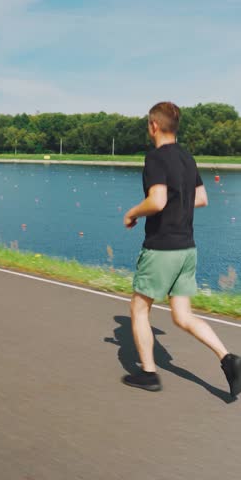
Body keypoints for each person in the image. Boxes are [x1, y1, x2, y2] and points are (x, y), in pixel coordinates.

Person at [123, 101, 241, 397]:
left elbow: (158, 200)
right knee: (182, 316)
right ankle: (229, 360)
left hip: (162, 247)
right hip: (187, 248)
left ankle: (149, 373)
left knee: (138, 309)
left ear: (153, 126)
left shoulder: (155, 158)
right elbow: (201, 198)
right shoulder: (187, 158)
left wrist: (133, 213)